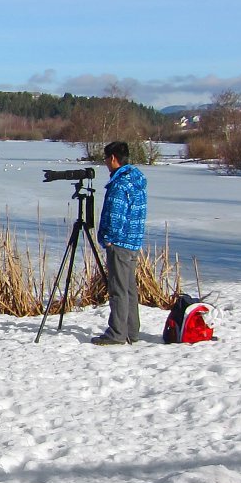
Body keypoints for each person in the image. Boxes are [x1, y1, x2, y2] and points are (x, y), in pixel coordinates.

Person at [93, 141, 147, 345]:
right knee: (129, 288)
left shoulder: (120, 184)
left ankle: (117, 333)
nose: (106, 163)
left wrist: (108, 238)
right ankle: (131, 331)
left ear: (113, 158)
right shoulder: (136, 180)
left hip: (120, 243)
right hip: (133, 240)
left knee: (118, 289)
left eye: (106, 159)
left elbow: (116, 215)